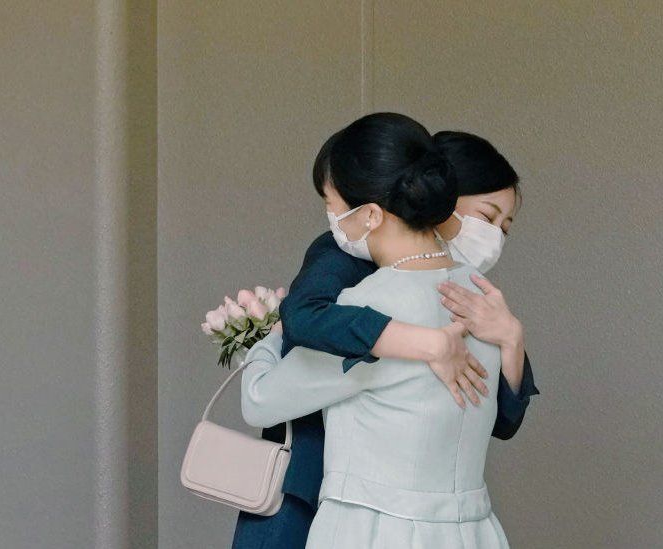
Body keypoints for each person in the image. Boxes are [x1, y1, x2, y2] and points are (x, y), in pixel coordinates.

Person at [230, 126, 538, 548]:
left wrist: (267, 340)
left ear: (370, 213)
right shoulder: (482, 303)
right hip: (474, 532)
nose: (333, 220)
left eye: (332, 206)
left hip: (372, 530)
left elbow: (260, 398)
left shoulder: (361, 308)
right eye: (488, 217)